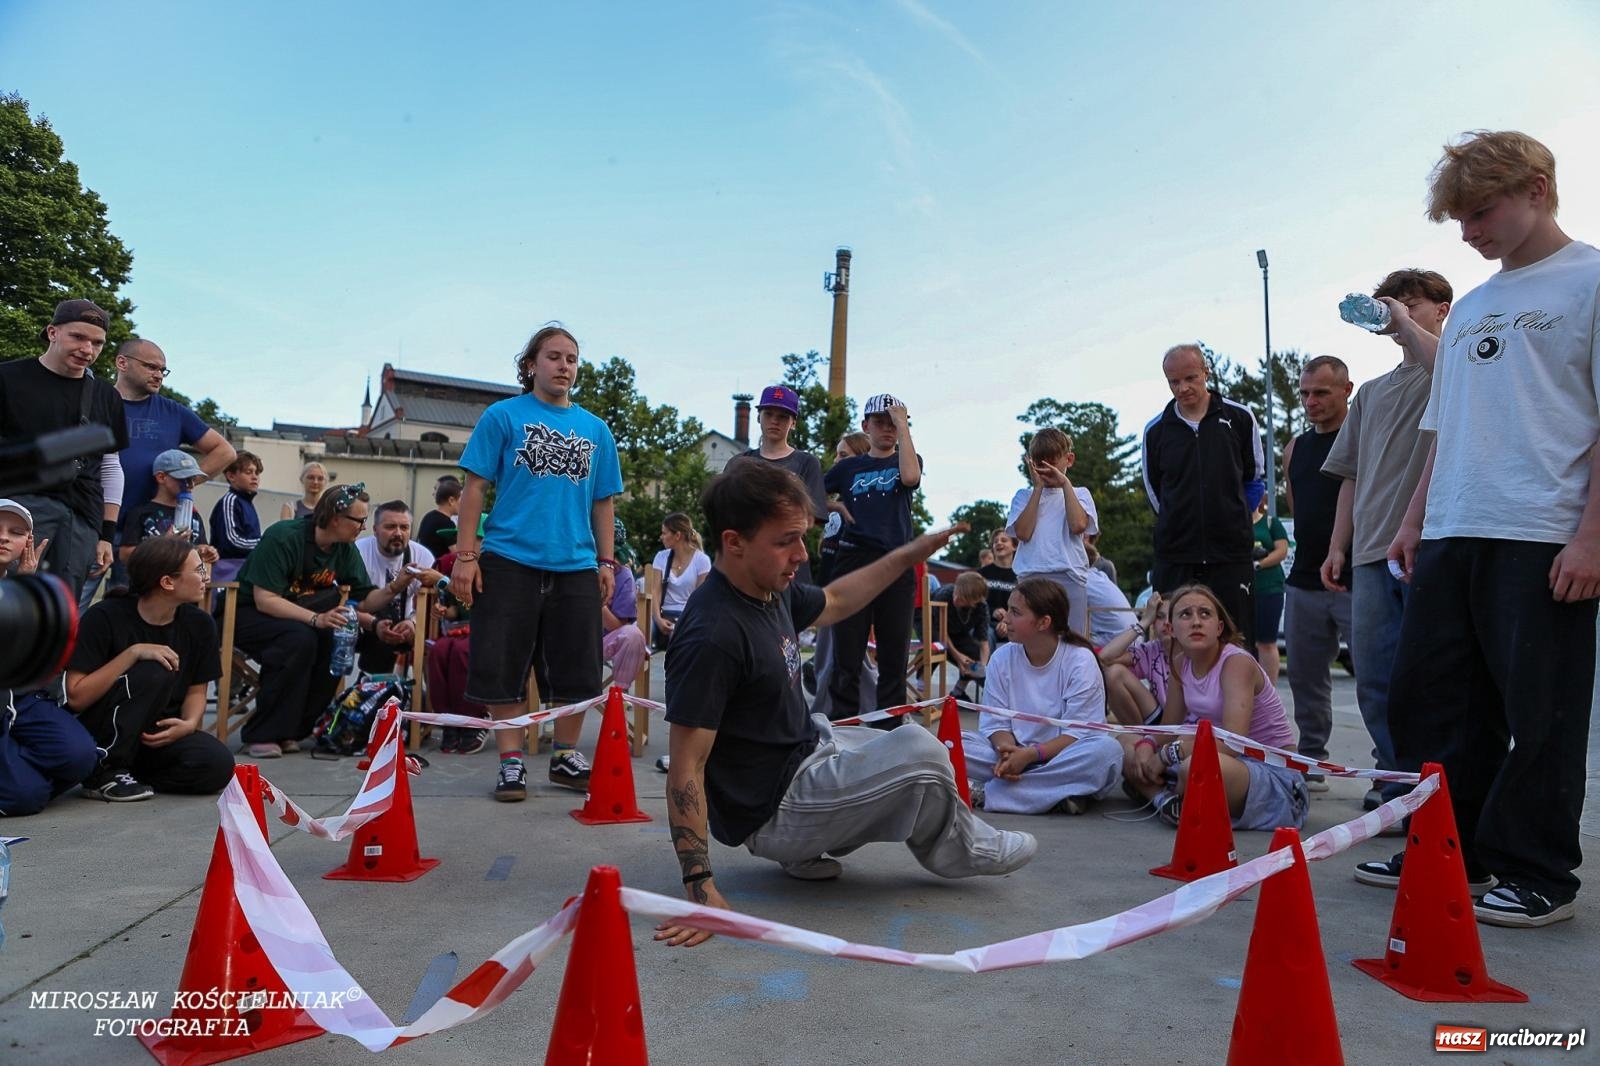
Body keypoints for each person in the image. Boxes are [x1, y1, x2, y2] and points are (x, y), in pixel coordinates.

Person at [1365, 131, 1600, 928]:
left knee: (1543, 710)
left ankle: (1536, 872)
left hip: (1542, 531)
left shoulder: (1591, 281)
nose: (1466, 232)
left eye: (1479, 211)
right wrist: (1412, 517)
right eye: (1457, 218)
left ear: (1537, 188)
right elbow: (1450, 420)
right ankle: (1449, 848)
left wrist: (1592, 537)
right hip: (1452, 529)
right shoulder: (1473, 308)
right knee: (1431, 702)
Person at [653, 462, 1035, 948]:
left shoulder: (768, 588)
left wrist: (906, 556)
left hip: (804, 751)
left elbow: (835, 599)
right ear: (734, 542)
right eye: (785, 541)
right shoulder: (712, 635)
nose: (800, 555)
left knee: (886, 741)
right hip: (776, 809)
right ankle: (964, 849)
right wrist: (699, 888)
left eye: (803, 538)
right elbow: (686, 767)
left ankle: (809, 850)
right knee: (922, 752)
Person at [450, 323, 623, 800]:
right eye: (553, 357)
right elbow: (475, 489)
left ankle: (566, 757)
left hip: (574, 564)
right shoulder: (503, 416)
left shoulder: (596, 429)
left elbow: (604, 502)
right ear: (530, 365)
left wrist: (606, 562)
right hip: (508, 559)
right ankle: (510, 762)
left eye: (570, 358)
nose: (563, 365)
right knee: (502, 664)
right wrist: (467, 555)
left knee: (578, 667)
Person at [1320, 269, 1452, 810]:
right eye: (1394, 305)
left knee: (1432, 678)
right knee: (1374, 676)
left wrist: (1403, 323)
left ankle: (1436, 786)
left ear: (1442, 309)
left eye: (1412, 305)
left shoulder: (1450, 365)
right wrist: (1336, 545)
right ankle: (1395, 779)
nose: (1399, 313)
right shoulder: (1371, 393)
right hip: (1372, 552)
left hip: (1432, 545)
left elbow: (1450, 364)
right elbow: (1350, 474)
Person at [233, 484, 417, 758]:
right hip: (249, 615)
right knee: (299, 640)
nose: (363, 528)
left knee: (336, 639)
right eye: (359, 520)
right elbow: (265, 599)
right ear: (335, 518)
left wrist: (394, 587)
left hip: (299, 618)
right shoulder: (285, 537)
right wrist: (317, 618)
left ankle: (296, 729)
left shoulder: (343, 549)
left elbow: (364, 600)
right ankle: (262, 733)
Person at [1121, 584, 1307, 831]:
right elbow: (1168, 729)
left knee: (1195, 767)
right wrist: (1148, 746)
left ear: (1219, 628)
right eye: (1185, 614)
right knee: (1124, 744)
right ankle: (1166, 802)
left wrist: (1166, 755)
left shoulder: (1236, 663)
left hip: (1273, 774)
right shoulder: (1180, 663)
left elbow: (1233, 742)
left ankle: (1168, 794)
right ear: (1171, 628)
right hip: (1219, 761)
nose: (1196, 622)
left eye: (1205, 614)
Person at [64, 537, 235, 801]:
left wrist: (188, 725)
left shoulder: (200, 624)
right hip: (100, 732)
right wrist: (132, 654)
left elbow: (197, 691)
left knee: (217, 764)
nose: (205, 577)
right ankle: (102, 771)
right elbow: (76, 697)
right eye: (199, 570)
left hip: (154, 734)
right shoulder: (104, 617)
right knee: (155, 668)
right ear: (167, 582)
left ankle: (129, 773)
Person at [960, 578, 1124, 815]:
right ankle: (1055, 794)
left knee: (1107, 752)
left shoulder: (1080, 660)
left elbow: (1079, 732)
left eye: (1015, 612)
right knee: (953, 742)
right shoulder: (1001, 657)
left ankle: (990, 794)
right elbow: (995, 721)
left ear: (1044, 622)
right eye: (1008, 609)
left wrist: (1031, 755)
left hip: (1063, 757)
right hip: (1013, 755)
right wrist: (1007, 753)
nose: (1005, 618)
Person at [0, 299, 129, 599]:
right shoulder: (8, 378)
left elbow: (110, 467)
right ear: (52, 332)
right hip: (19, 510)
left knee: (59, 612)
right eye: (78, 337)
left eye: (97, 343)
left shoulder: (106, 396)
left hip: (81, 520)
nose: (88, 349)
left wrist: (106, 536)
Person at [1142, 343, 1264, 646]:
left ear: (1206, 373)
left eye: (1190, 378)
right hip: (1176, 555)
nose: (1183, 388)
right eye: (1174, 381)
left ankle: (1238, 696)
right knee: (1173, 644)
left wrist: (1233, 520)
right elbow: (1155, 491)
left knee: (1235, 640)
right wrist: (1180, 521)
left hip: (1230, 555)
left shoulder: (1240, 418)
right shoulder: (1155, 430)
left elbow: (1254, 479)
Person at [820, 393, 922, 721]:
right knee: (846, 658)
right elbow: (805, 495)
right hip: (854, 561)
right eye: (880, 422)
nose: (887, 429)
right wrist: (832, 505)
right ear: (866, 426)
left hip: (895, 563)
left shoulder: (908, 458)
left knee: (894, 658)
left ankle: (890, 733)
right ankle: (844, 729)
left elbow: (910, 478)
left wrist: (903, 425)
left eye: (893, 423)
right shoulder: (849, 467)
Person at [1281, 355, 1354, 790]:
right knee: (1307, 678)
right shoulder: (1295, 447)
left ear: (1347, 389)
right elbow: (1297, 505)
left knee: (1375, 679)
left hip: (1359, 576)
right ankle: (1311, 758)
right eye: (1305, 393)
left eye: (1322, 392)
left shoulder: (1361, 438)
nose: (1311, 401)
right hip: (1305, 579)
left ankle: (1389, 769)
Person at [0, 500, 99, 816]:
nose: (3, 537)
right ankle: (21, 786)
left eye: (15, 533)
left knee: (81, 756)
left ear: (27, 544)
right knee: (24, 797)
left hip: (23, 701)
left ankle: (20, 778)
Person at [111, 338, 236, 540]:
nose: (159, 375)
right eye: (151, 367)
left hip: (149, 529)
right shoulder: (95, 401)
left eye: (163, 370)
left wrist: (186, 482)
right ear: (122, 363)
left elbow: (225, 452)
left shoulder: (173, 412)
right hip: (92, 523)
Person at [732, 385, 829, 584]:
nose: (775, 421)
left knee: (791, 615)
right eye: (769, 414)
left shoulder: (806, 462)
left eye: (783, 416)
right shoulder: (739, 464)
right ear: (759, 417)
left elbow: (811, 518)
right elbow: (725, 514)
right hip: (747, 564)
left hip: (790, 565)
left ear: (793, 422)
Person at [1007, 428, 1097, 637]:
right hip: (1031, 576)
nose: (1046, 470)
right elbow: (1023, 533)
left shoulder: (1080, 493)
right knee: (1029, 639)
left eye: (1052, 463)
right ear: (1031, 463)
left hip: (1069, 576)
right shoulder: (1023, 496)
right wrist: (1037, 489)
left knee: (1072, 642)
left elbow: (1078, 525)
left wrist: (1064, 484)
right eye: (1040, 464)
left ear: (1069, 459)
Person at [353, 500, 439, 675]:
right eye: (390, 527)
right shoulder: (357, 552)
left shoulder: (422, 555)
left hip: (408, 624)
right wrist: (374, 624)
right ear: (375, 530)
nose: (398, 533)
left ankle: (417, 695)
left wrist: (414, 623)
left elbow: (432, 603)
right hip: (364, 624)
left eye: (405, 527)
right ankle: (372, 690)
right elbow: (345, 603)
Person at [427, 551, 489, 756]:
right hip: (460, 629)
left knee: (463, 652)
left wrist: (441, 580)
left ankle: (473, 719)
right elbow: (455, 609)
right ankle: (448, 720)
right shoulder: (459, 568)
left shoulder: (495, 567)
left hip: (489, 629)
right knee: (439, 651)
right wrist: (442, 610)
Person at [119, 450, 220, 566]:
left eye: (193, 479)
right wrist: (164, 544)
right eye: (184, 479)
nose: (190, 485)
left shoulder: (194, 515)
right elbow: (125, 555)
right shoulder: (141, 513)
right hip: (152, 579)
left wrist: (207, 551)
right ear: (161, 477)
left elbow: (200, 544)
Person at [1098, 593, 1172, 726]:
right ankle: (1140, 736)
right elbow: (1104, 658)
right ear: (1153, 624)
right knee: (1112, 673)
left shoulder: (1196, 648)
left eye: (1172, 616)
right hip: (1160, 721)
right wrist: (1143, 622)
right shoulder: (1152, 649)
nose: (1166, 622)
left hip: (1191, 726)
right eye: (1159, 617)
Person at [648, 512, 711, 650]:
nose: (661, 537)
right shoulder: (661, 557)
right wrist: (658, 619)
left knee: (680, 636)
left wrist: (682, 623)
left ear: (677, 536)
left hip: (688, 616)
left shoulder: (702, 560)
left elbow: (700, 600)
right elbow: (655, 592)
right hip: (663, 614)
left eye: (664, 533)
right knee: (638, 633)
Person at [1248, 484, 1290, 684]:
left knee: (1266, 642)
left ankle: (1269, 691)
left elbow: (1282, 551)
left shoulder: (1271, 523)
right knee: (1244, 642)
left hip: (1269, 589)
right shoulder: (1236, 525)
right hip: (1243, 590)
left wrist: (1258, 564)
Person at [603, 517, 649, 693]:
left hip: (605, 641)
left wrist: (598, 602)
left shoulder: (624, 575)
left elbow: (619, 627)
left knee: (633, 635)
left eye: (614, 556)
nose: (611, 562)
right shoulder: (575, 568)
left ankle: (619, 696)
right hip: (571, 641)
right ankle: (556, 709)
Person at [930, 571, 990, 700]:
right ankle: (921, 691)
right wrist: (958, 657)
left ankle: (958, 693)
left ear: (975, 601)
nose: (956, 599)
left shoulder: (981, 607)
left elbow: (983, 642)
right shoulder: (944, 595)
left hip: (958, 632)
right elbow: (941, 632)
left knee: (973, 653)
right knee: (935, 648)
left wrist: (981, 667)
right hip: (934, 628)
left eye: (962, 598)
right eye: (956, 593)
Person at [209, 450, 265, 585]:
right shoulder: (230, 501)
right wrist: (264, 544)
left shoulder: (247, 503)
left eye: (256, 473)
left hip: (243, 569)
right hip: (227, 572)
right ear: (231, 476)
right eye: (248, 472)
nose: (255, 477)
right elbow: (232, 541)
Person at [979, 528, 1018, 646]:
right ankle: (985, 665)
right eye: (995, 541)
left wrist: (1008, 620)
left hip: (1014, 624)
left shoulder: (1022, 575)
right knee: (986, 635)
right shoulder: (981, 574)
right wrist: (993, 611)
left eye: (1004, 540)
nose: (999, 543)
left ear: (1014, 547)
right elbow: (973, 604)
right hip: (986, 623)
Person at [1083, 564, 1135, 648]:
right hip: (1135, 636)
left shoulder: (1078, 582)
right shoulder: (1099, 576)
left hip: (1120, 643)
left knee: (1071, 640)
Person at [416, 476, 461, 558]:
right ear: (451, 500)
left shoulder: (428, 516)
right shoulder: (446, 524)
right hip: (436, 568)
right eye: (461, 500)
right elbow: (457, 554)